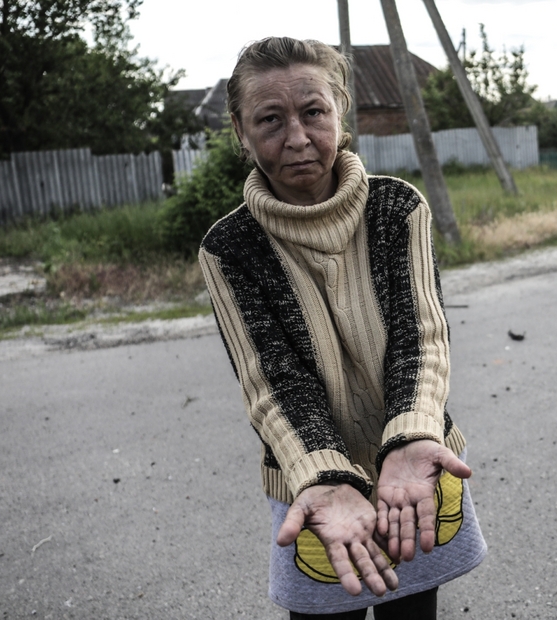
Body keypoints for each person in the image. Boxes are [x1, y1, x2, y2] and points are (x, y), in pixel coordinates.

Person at [198, 37, 486, 619]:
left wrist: (408, 441)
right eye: (270, 120)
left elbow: (420, 338)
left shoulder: (397, 208)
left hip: (414, 472)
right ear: (239, 128)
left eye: (313, 112)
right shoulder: (228, 248)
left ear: (342, 107)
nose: (298, 138)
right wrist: (325, 477)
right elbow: (271, 381)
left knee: (412, 611)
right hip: (313, 487)